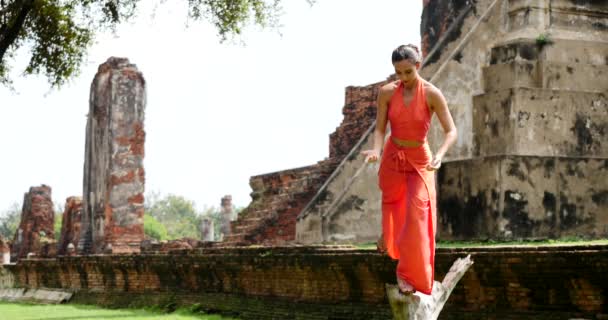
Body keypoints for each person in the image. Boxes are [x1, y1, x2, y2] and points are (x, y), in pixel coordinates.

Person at [361, 44, 457, 295]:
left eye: (407, 72)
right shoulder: (387, 93)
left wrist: (440, 154)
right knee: (394, 210)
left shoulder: (432, 94)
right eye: (397, 73)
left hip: (420, 160)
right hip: (393, 157)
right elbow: (381, 128)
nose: (402, 78)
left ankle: (407, 276)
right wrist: (376, 149)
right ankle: (388, 238)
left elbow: (451, 131)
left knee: (417, 215)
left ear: (418, 66)